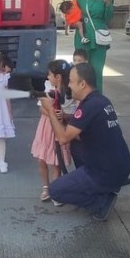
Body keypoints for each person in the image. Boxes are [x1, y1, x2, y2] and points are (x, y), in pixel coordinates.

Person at [47, 63, 130, 222]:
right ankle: (96, 188)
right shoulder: (100, 100)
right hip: (119, 166)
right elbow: (86, 124)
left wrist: (50, 111)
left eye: (71, 82)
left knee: (55, 191)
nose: (69, 86)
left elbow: (63, 138)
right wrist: (66, 117)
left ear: (82, 84)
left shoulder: (89, 106)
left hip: (105, 172)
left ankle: (101, 202)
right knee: (76, 144)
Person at [31, 60, 76, 204]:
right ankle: (46, 187)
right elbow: (41, 108)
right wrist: (51, 112)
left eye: (49, 75)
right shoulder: (47, 87)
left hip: (60, 129)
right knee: (42, 159)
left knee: (57, 162)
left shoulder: (70, 93)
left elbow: (74, 113)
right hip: (46, 127)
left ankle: (55, 191)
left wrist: (63, 116)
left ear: (58, 77)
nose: (47, 77)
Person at [75, 0, 114, 94]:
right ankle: (81, 98)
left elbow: (108, 18)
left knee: (97, 70)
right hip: (83, 37)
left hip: (99, 38)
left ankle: (97, 99)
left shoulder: (106, 0)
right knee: (81, 70)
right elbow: (73, 14)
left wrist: (108, 4)